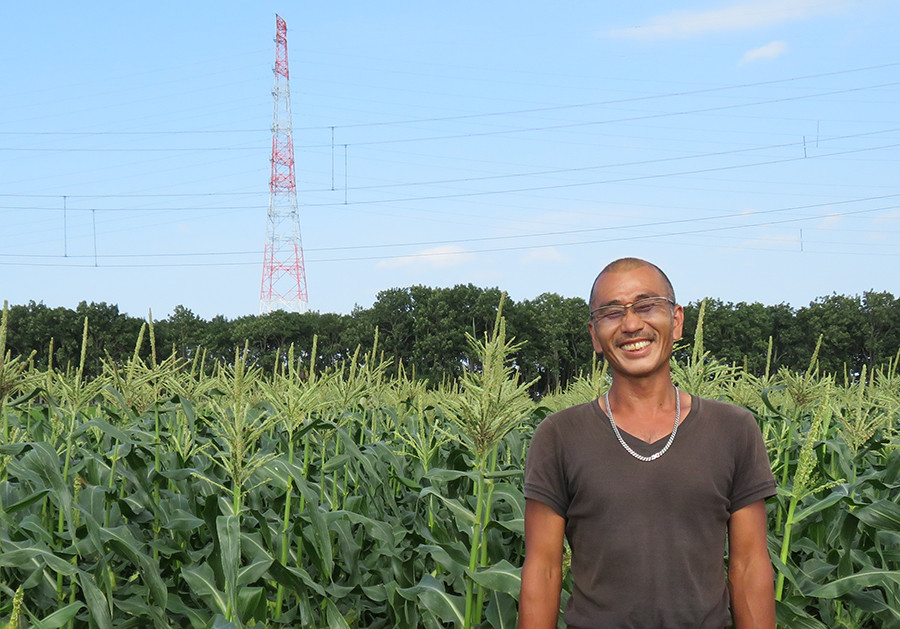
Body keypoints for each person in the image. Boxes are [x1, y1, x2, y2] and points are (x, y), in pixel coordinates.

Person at [519, 257, 776, 629]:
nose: (631, 324)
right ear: (594, 335)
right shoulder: (559, 435)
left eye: (646, 306)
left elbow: (750, 565)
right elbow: (542, 570)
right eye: (611, 313)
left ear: (676, 321)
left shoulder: (734, 429)